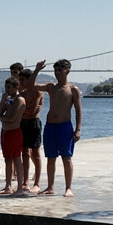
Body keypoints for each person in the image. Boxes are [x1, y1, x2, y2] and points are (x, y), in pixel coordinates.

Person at [35, 59, 81, 197]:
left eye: (60, 70)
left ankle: (68, 188)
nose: (57, 73)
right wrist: (37, 70)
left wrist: (78, 129)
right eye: (55, 70)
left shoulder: (73, 89)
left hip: (64, 126)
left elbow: (78, 110)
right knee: (51, 157)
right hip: (50, 126)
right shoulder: (51, 87)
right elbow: (30, 86)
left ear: (67, 71)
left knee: (66, 157)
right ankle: (50, 187)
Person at [0, 69, 27, 194]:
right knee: (7, 159)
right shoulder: (7, 98)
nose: (7, 90)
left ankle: (20, 188)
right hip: (5, 132)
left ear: (15, 87)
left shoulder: (19, 100)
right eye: (5, 87)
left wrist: (3, 118)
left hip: (14, 132)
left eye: (9, 88)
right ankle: (8, 186)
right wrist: (3, 100)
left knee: (16, 158)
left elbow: (12, 118)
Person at [18, 60, 46, 193]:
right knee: (24, 152)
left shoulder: (37, 92)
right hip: (23, 123)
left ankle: (37, 183)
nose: (20, 82)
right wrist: (24, 110)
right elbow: (21, 109)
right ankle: (25, 181)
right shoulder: (22, 93)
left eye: (22, 80)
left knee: (35, 153)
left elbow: (32, 111)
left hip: (33, 123)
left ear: (29, 80)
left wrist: (23, 110)